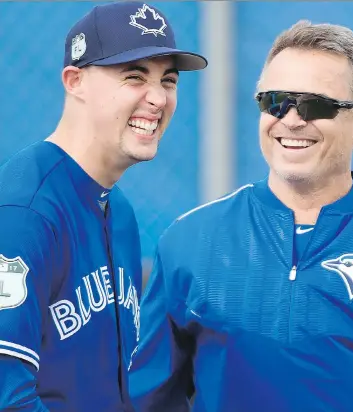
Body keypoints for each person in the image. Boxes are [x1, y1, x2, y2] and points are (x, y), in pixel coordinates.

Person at [129, 19, 353, 412]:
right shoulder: (190, 242)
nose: (292, 119)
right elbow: (146, 401)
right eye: (275, 101)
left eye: (317, 105)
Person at [0, 2, 207, 411]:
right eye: (134, 76)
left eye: (168, 80)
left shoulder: (121, 213)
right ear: (75, 80)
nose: (158, 98)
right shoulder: (24, 211)